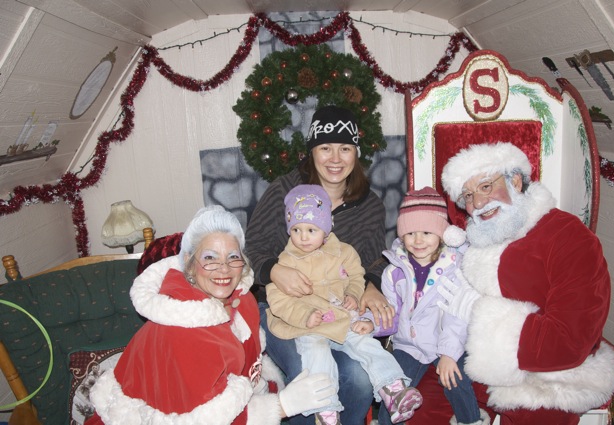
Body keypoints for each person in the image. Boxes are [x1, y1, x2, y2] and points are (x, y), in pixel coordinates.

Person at [87, 206, 336, 425]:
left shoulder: (242, 301)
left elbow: (246, 367)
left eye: (233, 257)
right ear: (188, 262)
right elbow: (202, 419)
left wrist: (271, 386)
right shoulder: (182, 332)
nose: (224, 269)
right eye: (209, 258)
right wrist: (282, 405)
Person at [433, 142, 614, 425]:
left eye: (485, 187)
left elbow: (569, 341)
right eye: (468, 196)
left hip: (549, 382)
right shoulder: (480, 238)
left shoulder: (569, 237)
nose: (478, 204)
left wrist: (478, 313)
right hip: (470, 368)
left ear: (516, 181)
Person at [245, 105, 391, 425]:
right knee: (309, 379)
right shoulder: (286, 190)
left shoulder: (369, 205)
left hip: (337, 312)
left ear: (356, 152)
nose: (335, 158)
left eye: (345, 148)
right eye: (325, 148)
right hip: (288, 312)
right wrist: (274, 270)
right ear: (312, 151)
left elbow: (374, 261)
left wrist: (372, 285)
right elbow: (252, 247)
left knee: (358, 379)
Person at [266, 184, 423, 425]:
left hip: (341, 316)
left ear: (327, 227)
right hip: (309, 325)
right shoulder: (287, 261)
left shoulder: (344, 252)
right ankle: (326, 411)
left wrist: (352, 293)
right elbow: (278, 300)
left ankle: (393, 389)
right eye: (296, 230)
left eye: (311, 229)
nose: (303, 237)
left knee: (365, 343)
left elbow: (356, 276)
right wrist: (305, 315)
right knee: (316, 355)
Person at [376, 186, 488, 425]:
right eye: (410, 233)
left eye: (427, 232)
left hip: (446, 340)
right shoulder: (394, 271)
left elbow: (457, 316)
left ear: (442, 234)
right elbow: (390, 312)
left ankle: (470, 420)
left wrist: (448, 354)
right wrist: (369, 323)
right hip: (408, 345)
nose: (418, 241)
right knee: (393, 389)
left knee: (455, 380)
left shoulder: (455, 268)